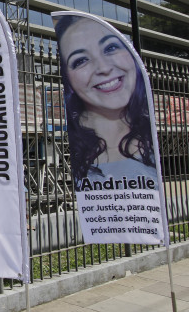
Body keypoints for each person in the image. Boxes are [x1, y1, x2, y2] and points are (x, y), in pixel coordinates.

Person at [54, 15, 157, 185]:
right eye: (81, 60)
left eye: (110, 48)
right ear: (68, 78)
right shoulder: (82, 158)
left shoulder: (151, 141)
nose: (104, 68)